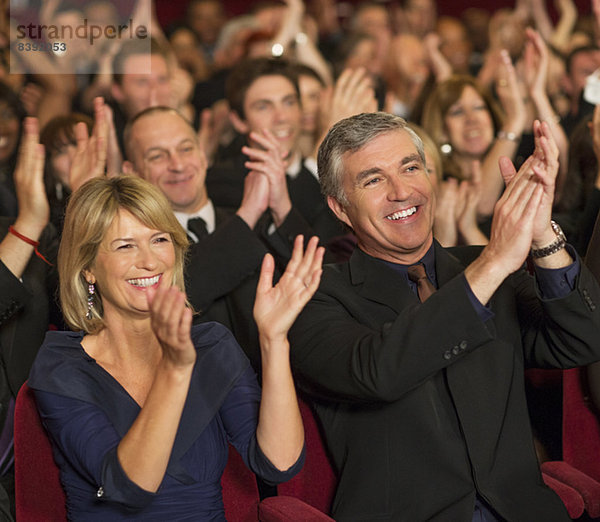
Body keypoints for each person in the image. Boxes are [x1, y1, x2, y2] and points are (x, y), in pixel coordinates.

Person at [288, 112, 600, 521]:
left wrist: (541, 235)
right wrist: (492, 262)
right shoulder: (315, 295)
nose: (401, 192)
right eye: (373, 180)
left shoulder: (485, 272)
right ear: (340, 207)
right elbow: (379, 370)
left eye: (410, 168)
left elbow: (583, 338)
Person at [28, 175, 323, 519]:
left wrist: (274, 341)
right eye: (125, 245)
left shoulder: (212, 345)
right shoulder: (61, 365)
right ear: (88, 267)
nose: (150, 261)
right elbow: (129, 487)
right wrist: (176, 368)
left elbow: (279, 466)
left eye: (159, 239)